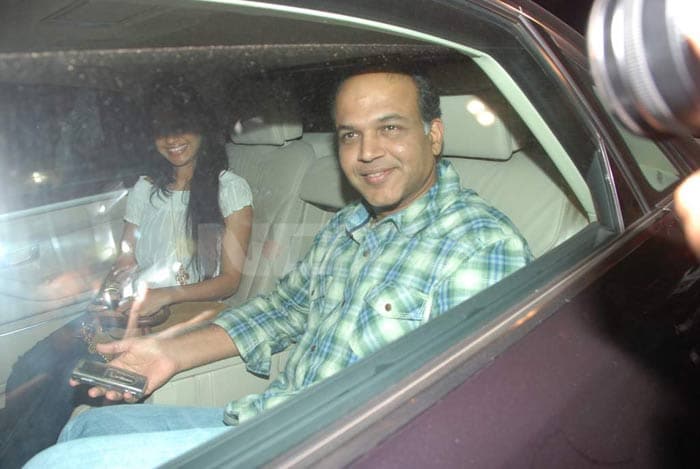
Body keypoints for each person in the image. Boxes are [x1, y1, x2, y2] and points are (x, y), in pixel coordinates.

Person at [26, 69, 532, 468]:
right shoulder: (347, 226)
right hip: (273, 416)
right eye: (349, 135)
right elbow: (281, 308)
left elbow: (462, 423)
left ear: (434, 135)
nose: (368, 152)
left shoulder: (477, 246)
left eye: (390, 128)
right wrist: (168, 354)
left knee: (60, 464)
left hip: (328, 447)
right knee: (84, 428)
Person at [0, 78, 253, 468]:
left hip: (192, 310)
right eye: (161, 130)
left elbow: (229, 281)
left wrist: (167, 294)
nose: (172, 140)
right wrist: (107, 295)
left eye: (182, 126)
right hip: (133, 307)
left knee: (65, 377)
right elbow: (125, 261)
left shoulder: (228, 189)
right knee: (30, 367)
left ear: (203, 127)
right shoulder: (146, 188)